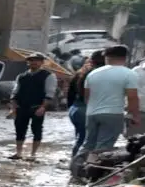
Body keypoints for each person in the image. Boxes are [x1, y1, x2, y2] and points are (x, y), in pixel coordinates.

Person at [73, 45, 142, 177]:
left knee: (88, 144)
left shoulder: (93, 73)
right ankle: (93, 175)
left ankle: (76, 172)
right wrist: (135, 115)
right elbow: (132, 97)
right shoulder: (129, 73)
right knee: (104, 146)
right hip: (113, 113)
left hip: (92, 113)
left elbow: (87, 96)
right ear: (125, 58)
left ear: (106, 57)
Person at [9, 53, 56, 162]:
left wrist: (43, 107)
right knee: (19, 130)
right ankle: (18, 152)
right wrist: (13, 106)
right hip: (21, 106)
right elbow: (15, 92)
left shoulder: (48, 75)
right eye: (31, 60)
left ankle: (33, 154)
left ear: (42, 62)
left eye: (37, 60)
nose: (34, 62)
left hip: (37, 106)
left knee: (37, 129)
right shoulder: (22, 76)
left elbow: (49, 93)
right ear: (28, 62)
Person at [67, 53, 96, 153]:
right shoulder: (94, 74)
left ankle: (74, 160)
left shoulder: (78, 73)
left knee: (80, 137)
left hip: (75, 108)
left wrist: (70, 109)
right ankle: (79, 162)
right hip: (86, 108)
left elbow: (70, 95)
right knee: (86, 139)